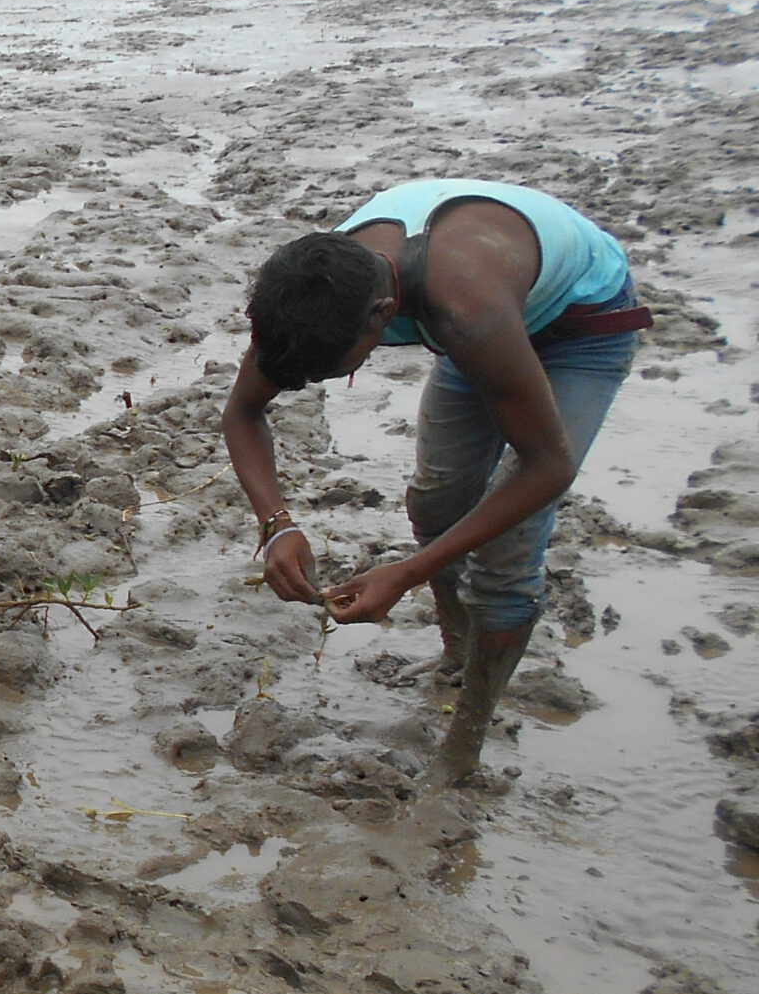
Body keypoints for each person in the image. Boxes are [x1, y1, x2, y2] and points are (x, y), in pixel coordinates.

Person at [223, 178, 646, 785]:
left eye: (333, 370)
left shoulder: (463, 310)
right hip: (486, 313)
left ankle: (466, 743)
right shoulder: (307, 293)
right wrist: (276, 525)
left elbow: (548, 465)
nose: (318, 381)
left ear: (382, 317)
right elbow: (243, 411)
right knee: (437, 499)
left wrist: (408, 571)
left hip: (579, 327)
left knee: (507, 551)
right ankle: (456, 654)